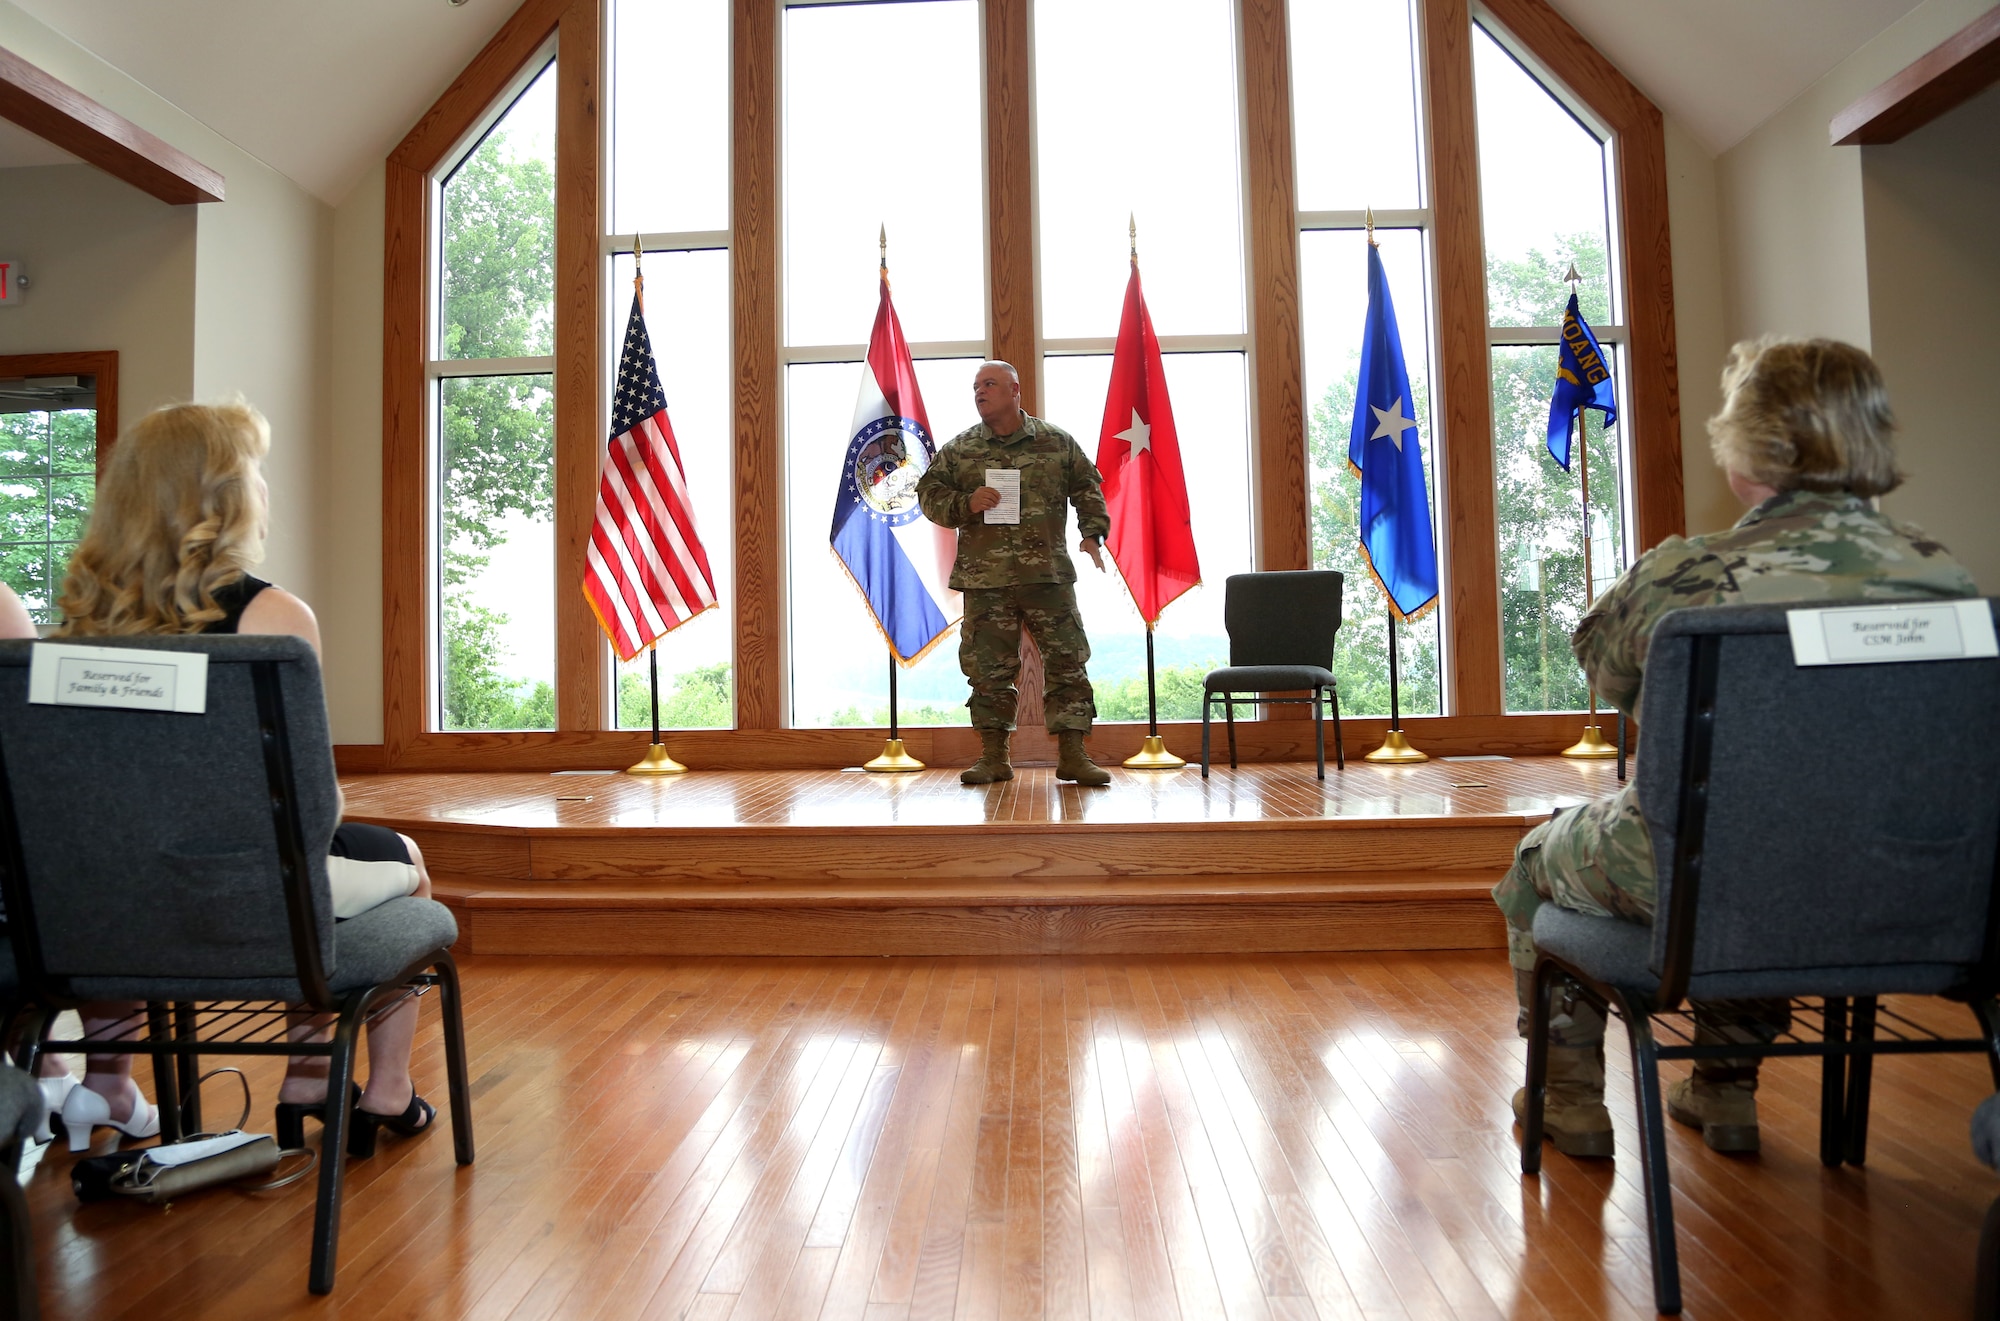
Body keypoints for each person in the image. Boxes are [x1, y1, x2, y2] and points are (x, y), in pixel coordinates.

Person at [1494, 337, 1980, 1159]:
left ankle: (1566, 1095)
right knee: (1760, 844)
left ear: (1745, 446)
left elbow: (1607, 671)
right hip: (1914, 881)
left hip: (1713, 877)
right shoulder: (1947, 579)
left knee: (1544, 854)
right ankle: (1721, 1085)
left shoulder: (1688, 575)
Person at [50, 398, 441, 1155]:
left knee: (128, 863)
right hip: (252, 910)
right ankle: (333, 1076)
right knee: (402, 858)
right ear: (228, 497)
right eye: (255, 471)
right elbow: (310, 809)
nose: (264, 486)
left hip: (102, 910)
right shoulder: (273, 620)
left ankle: (108, 1080)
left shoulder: (74, 627)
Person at [916, 361, 1113, 787]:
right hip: (986, 581)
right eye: (975, 387)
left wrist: (1092, 533)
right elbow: (929, 496)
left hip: (1047, 576)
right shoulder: (960, 449)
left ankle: (1074, 756)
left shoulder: (1055, 442)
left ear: (1015, 390)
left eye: (989, 384)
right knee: (987, 671)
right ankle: (993, 757)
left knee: (1068, 662)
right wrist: (966, 503)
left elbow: (1087, 486)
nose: (980, 392)